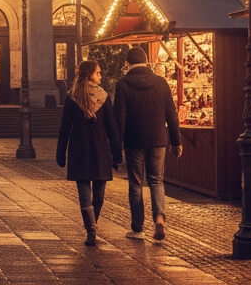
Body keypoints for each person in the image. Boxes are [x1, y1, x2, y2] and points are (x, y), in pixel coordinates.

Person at [113, 46, 181, 242]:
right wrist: (176, 141)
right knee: (156, 181)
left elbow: (120, 119)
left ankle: (138, 227)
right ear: (146, 61)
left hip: (134, 140)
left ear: (128, 64)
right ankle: (159, 218)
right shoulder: (161, 83)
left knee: (135, 184)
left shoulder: (123, 84)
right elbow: (172, 114)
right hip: (159, 139)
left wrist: (116, 151)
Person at [57, 60, 121, 246]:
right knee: (95, 194)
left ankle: (91, 226)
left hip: (81, 149)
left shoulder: (76, 96)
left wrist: (62, 152)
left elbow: (65, 128)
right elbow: (112, 128)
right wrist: (116, 154)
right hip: (98, 149)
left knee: (89, 193)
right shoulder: (86, 97)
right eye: (98, 73)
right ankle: (92, 227)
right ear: (89, 75)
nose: (100, 75)